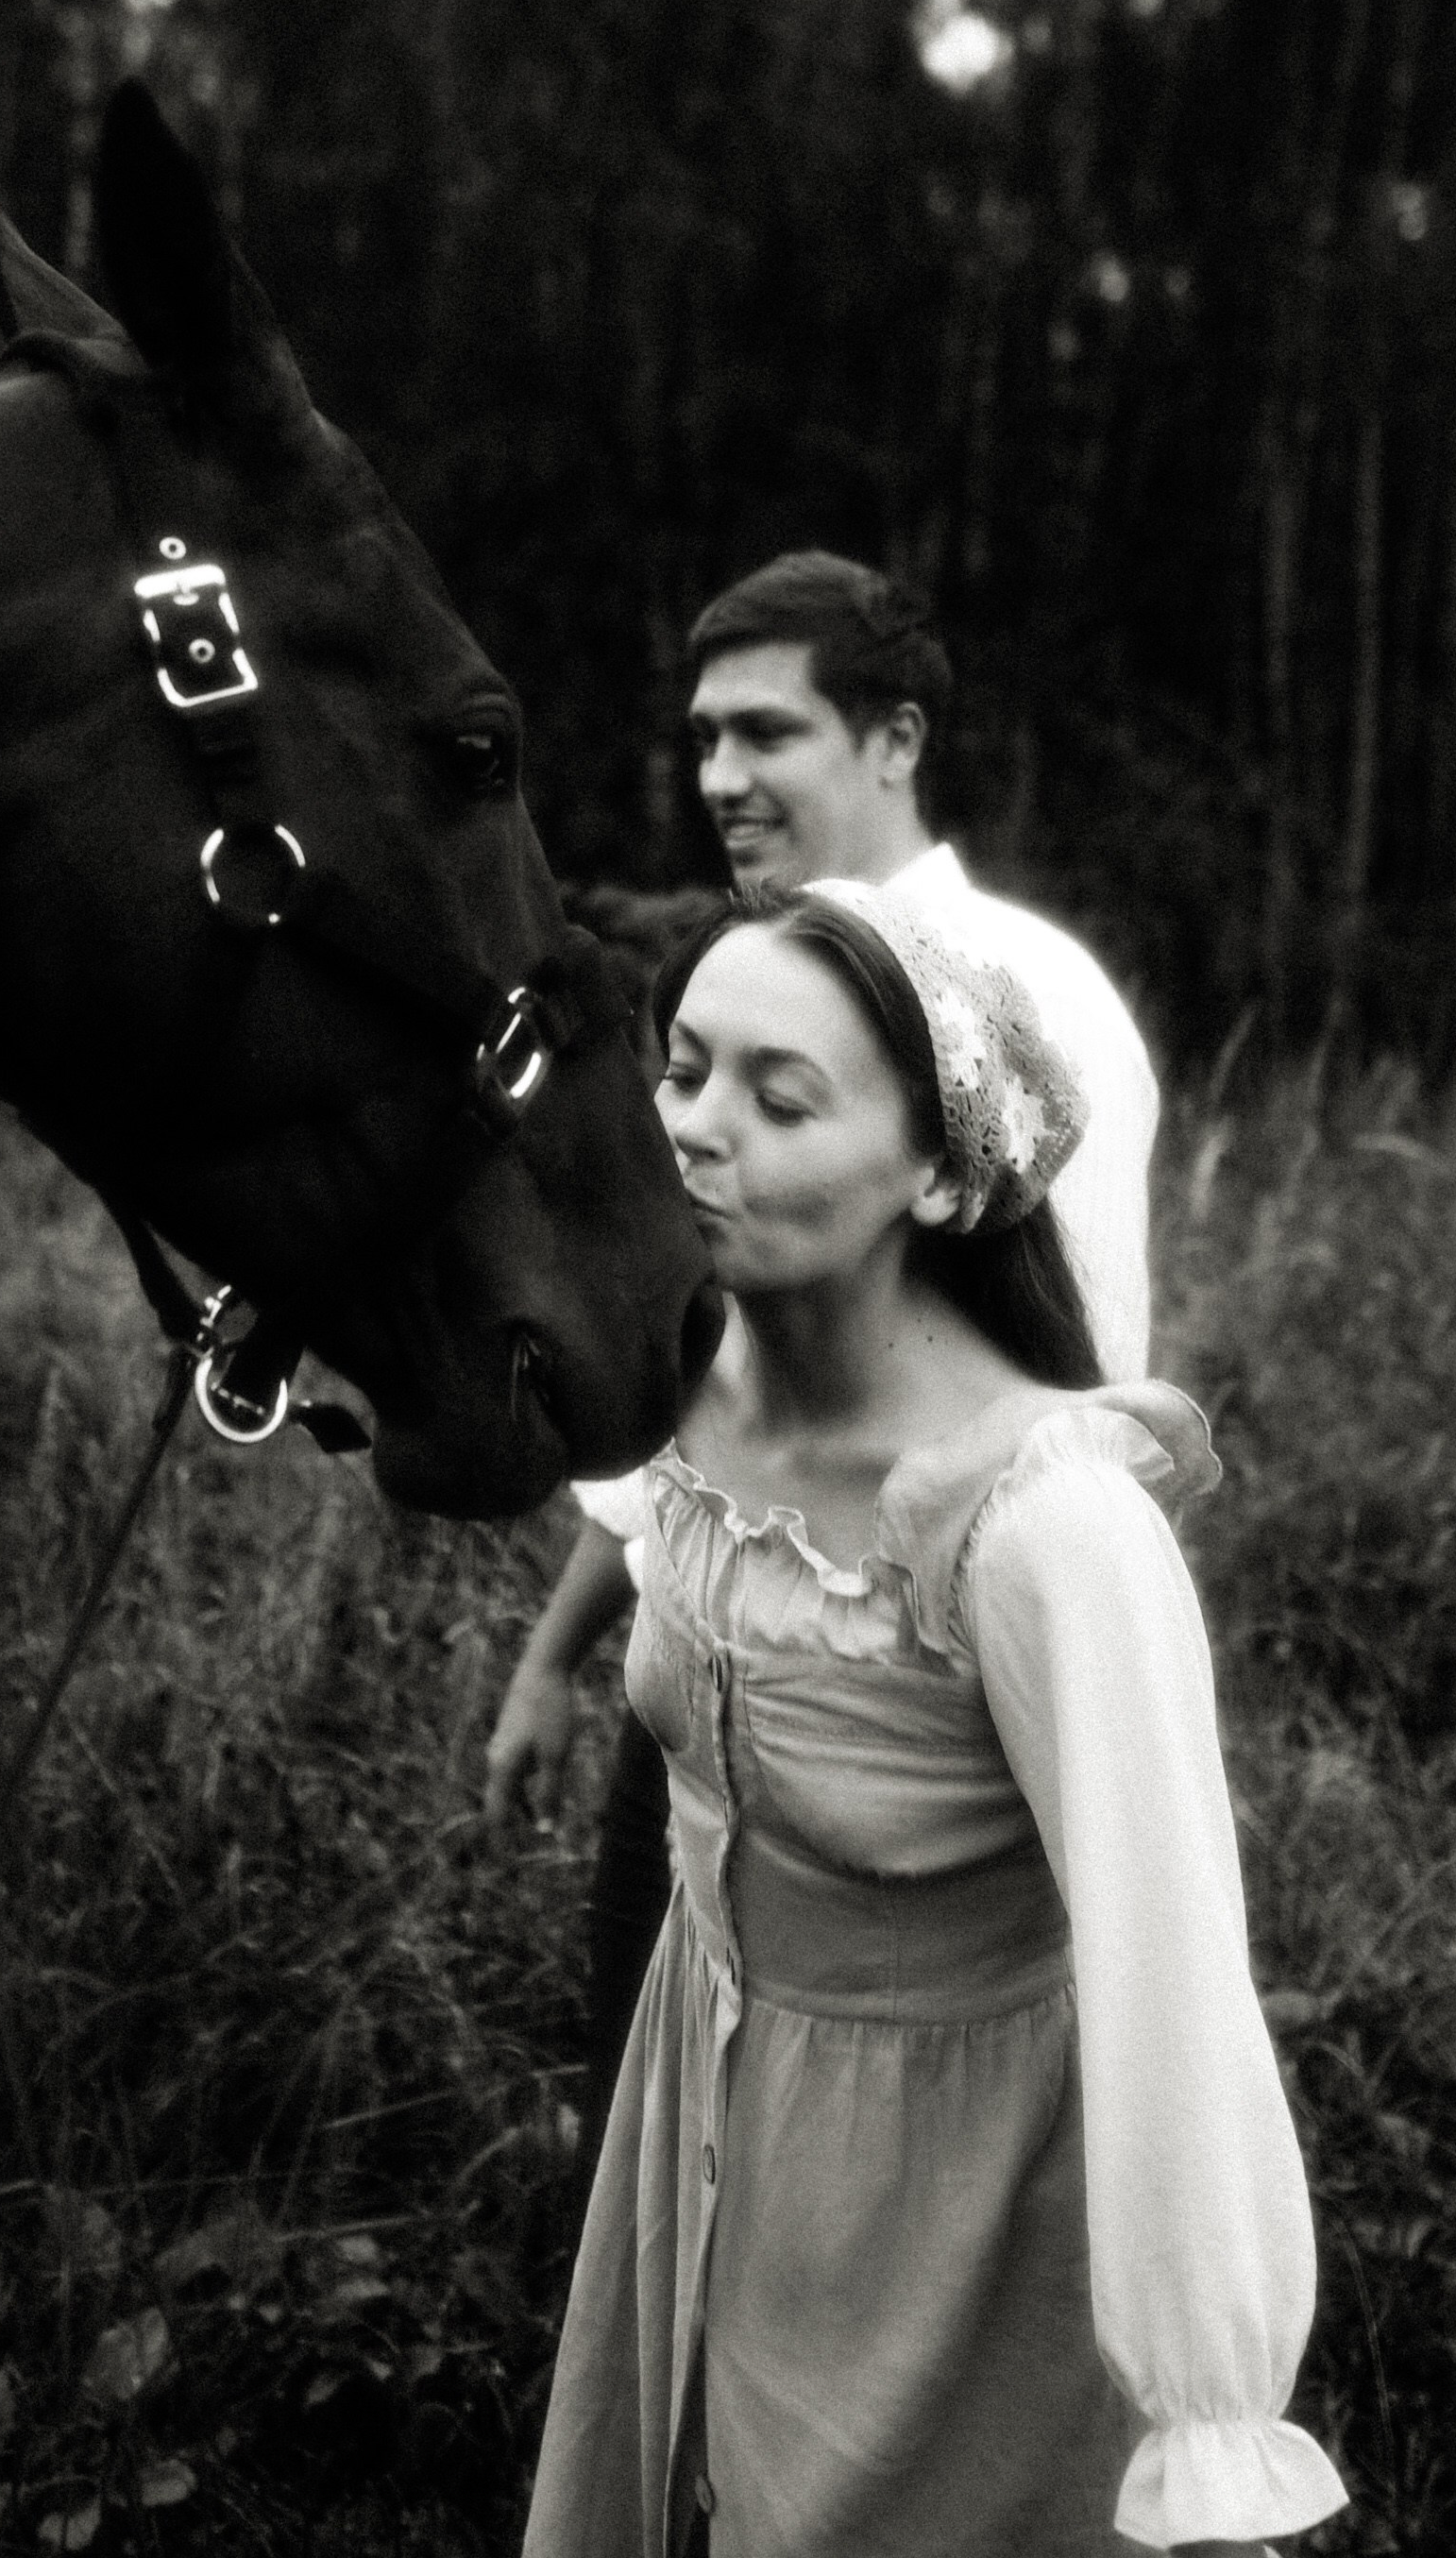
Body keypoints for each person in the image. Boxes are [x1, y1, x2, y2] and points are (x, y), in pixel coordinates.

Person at [520, 881, 1346, 2558]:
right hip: (717, 2133)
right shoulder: (683, 1402)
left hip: (968, 2223)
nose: (694, 1127)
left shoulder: (1043, 1526)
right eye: (681, 1069)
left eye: (780, 1094)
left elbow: (1172, 1983)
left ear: (942, 1170)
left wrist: (1210, 2421)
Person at [483, 552, 1161, 2142]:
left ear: (896, 741)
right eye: (704, 738)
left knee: (867, 2174)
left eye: (767, 733)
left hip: (910, 1770)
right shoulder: (740, 989)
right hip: (691, 1706)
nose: (720, 776)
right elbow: (710, 1413)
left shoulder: (1023, 998)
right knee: (657, 2146)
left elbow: (1073, 1416)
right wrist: (553, 1657)